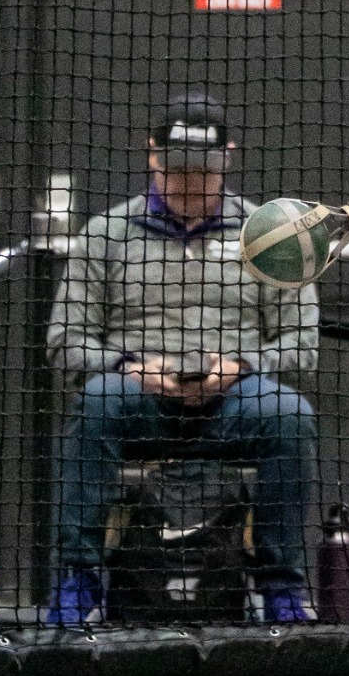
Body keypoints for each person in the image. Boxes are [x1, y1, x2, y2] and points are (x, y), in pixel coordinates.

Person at [44, 95, 319, 625]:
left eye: (203, 170)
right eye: (177, 168)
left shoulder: (273, 236)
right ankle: (78, 580)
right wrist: (130, 365)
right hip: (138, 397)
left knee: (291, 416)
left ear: (229, 159)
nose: (189, 182)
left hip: (236, 397)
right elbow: (64, 340)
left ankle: (280, 586)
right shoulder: (105, 234)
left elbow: (301, 343)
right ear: (153, 156)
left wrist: (238, 366)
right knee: (96, 402)